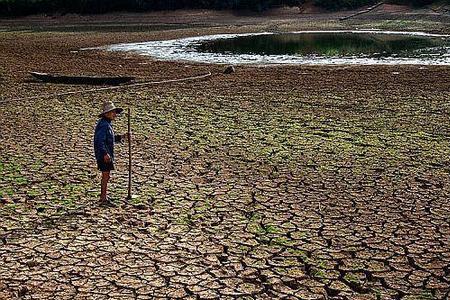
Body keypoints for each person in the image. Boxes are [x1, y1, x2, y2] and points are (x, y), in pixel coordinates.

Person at [94, 101, 129, 206]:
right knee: (105, 176)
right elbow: (100, 141)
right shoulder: (103, 125)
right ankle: (103, 198)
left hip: (106, 154)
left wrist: (122, 137)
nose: (115, 114)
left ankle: (103, 196)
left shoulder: (107, 124)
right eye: (112, 112)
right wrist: (105, 153)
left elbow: (110, 139)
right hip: (104, 155)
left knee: (106, 175)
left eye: (114, 112)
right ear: (106, 114)